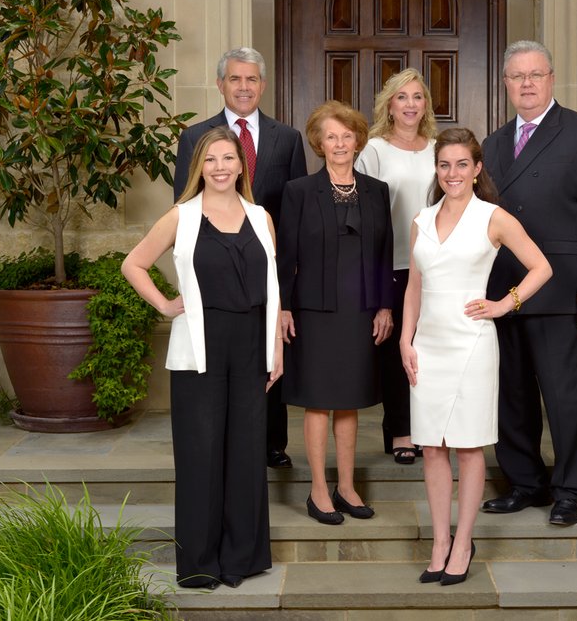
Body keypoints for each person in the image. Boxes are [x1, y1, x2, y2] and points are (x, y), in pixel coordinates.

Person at [122, 127, 282, 589]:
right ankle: (199, 564)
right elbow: (133, 263)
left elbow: (273, 287)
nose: (220, 167)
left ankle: (242, 559)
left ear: (241, 165)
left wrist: (276, 347)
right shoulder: (182, 215)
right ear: (199, 167)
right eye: (210, 160)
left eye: (228, 158)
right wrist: (164, 304)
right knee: (201, 454)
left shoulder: (261, 217)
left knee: (246, 453)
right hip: (200, 346)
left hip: (251, 344)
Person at [400, 128, 551, 586]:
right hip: (427, 346)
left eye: (462, 164)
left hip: (471, 344)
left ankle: (463, 542)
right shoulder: (422, 219)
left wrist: (504, 304)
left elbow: (542, 267)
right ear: (436, 169)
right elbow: (414, 285)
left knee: (467, 447)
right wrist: (405, 340)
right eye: (444, 164)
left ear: (477, 168)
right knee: (431, 448)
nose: (453, 173)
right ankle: (440, 541)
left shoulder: (493, 217)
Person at [481, 40, 577, 526]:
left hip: (563, 292)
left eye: (535, 75)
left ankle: (570, 490)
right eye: (517, 76)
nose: (526, 84)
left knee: (567, 399)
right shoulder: (492, 144)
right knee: (512, 396)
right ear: (505, 83)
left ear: (551, 79)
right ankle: (525, 482)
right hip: (505, 292)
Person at [173, 46, 307, 470]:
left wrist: (287, 292)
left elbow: (295, 215)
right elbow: (183, 208)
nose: (244, 87)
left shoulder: (287, 138)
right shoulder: (195, 137)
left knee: (268, 354)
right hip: (215, 266)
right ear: (220, 84)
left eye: (251, 79)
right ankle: (220, 443)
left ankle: (272, 444)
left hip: (264, 266)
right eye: (235, 79)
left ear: (262, 85)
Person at [277, 100, 394, 525]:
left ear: (359, 140)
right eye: (331, 137)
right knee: (318, 401)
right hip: (313, 311)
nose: (340, 143)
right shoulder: (298, 191)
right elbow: (285, 255)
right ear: (319, 143)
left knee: (350, 401)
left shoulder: (378, 191)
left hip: (360, 311)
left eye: (347, 135)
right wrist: (283, 308)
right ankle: (318, 490)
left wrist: (385, 305)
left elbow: (385, 253)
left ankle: (346, 486)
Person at [354, 68, 437, 465]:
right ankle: (401, 431)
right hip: (393, 264)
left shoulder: (438, 148)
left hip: (435, 265)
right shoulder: (374, 150)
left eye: (417, 97)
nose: (410, 104)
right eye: (402, 97)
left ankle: (427, 429)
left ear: (426, 105)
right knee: (395, 352)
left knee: (428, 350)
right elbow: (361, 210)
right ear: (389, 105)